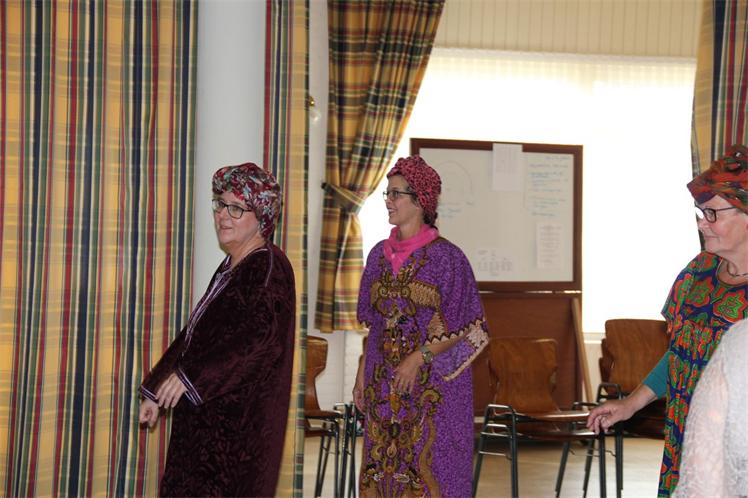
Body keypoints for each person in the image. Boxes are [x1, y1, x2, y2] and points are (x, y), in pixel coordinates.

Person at [588, 145, 748, 496]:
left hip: (737, 444)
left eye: (712, 214)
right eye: (700, 213)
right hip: (685, 435)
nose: (702, 223)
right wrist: (630, 404)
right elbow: (680, 353)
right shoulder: (698, 273)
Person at [138, 162, 295, 497]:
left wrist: (191, 378)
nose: (223, 215)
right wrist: (156, 388)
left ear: (262, 217)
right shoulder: (233, 265)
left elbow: (260, 342)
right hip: (205, 427)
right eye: (220, 204)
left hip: (235, 435)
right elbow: (195, 335)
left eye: (236, 208)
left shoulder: (268, 268)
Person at [353, 155, 490, 498]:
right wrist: (361, 372)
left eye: (396, 194)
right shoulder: (377, 256)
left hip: (432, 391)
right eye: (387, 193)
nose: (388, 200)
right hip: (383, 384)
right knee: (383, 469)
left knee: (430, 469)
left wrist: (418, 358)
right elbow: (375, 324)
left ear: (420, 201)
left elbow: (468, 326)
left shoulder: (448, 258)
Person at [672, 319, 748, 497]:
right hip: (690, 402)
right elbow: (677, 350)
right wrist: (633, 402)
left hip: (718, 403)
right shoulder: (684, 293)